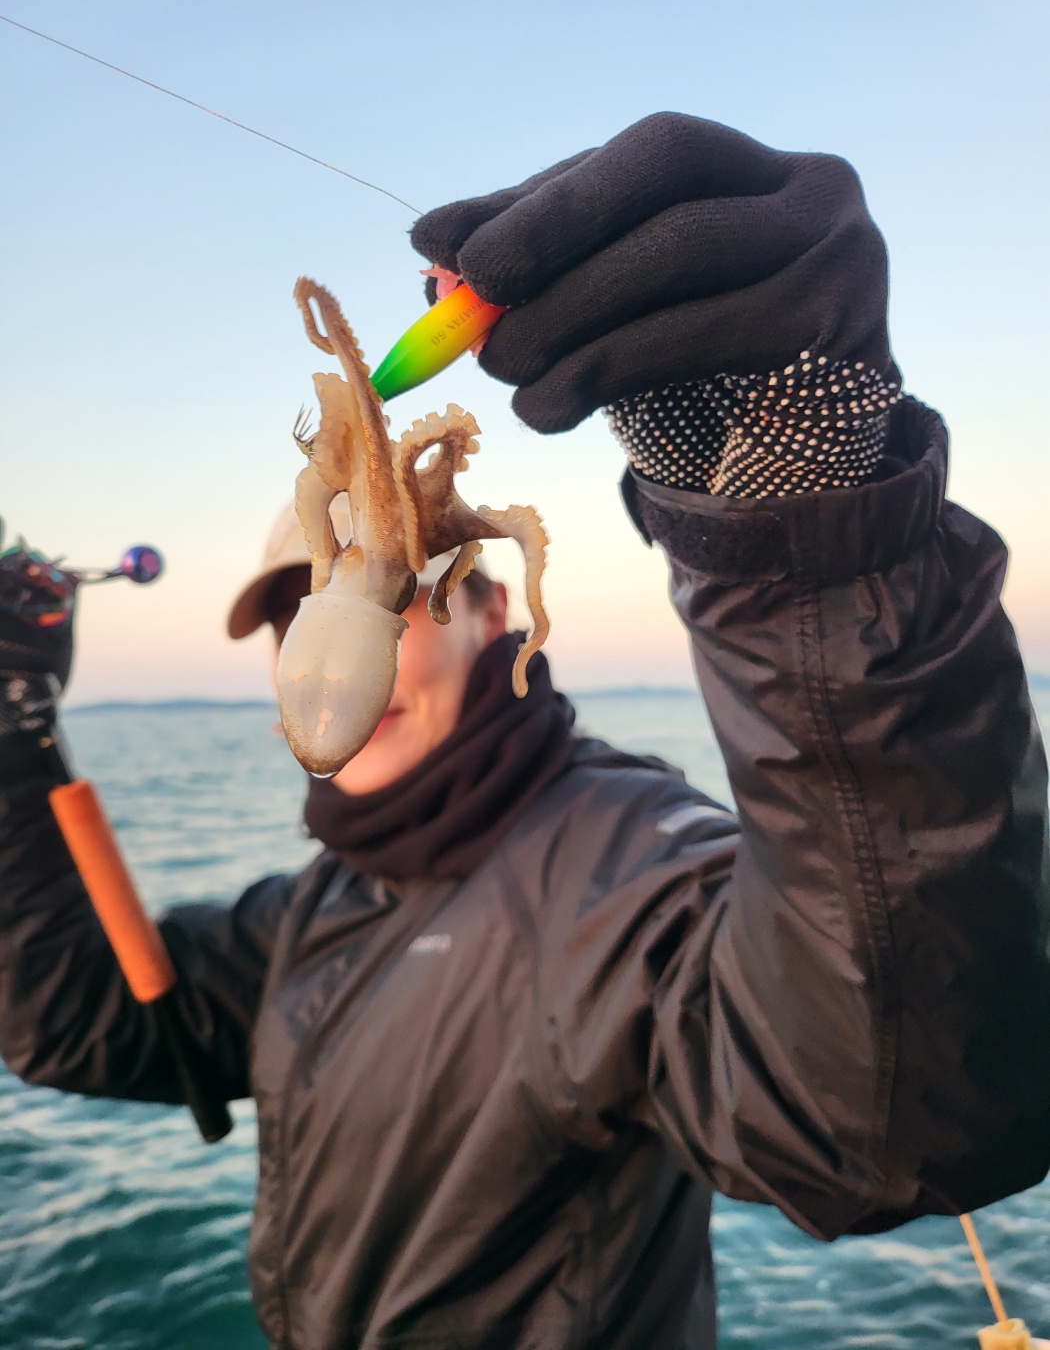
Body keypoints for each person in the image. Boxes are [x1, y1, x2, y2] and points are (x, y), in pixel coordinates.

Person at [1, 113, 1048, 1350]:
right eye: (291, 614)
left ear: (497, 610)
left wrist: (802, 524)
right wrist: (13, 731)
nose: (336, 637)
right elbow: (76, 1013)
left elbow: (892, 1113)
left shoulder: (625, 873)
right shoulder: (318, 906)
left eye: (410, 597)